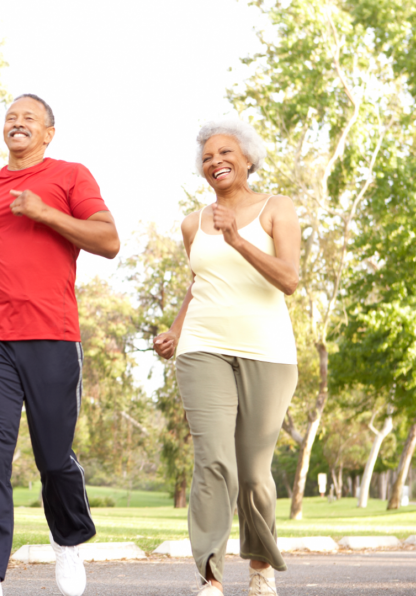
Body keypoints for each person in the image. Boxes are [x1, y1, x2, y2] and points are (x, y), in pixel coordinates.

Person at [0, 93, 120, 596]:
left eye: (29, 119)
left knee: (54, 456)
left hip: (52, 335)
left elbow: (108, 240)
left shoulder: (70, 176)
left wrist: (46, 214)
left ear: (48, 134)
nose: (18, 123)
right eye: (11, 117)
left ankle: (68, 539)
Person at [153, 119, 300, 596]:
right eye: (207, 157)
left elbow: (289, 280)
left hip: (268, 351)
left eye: (225, 153)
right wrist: (175, 330)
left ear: (248, 159)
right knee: (213, 461)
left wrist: (238, 239)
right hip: (203, 348)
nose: (215, 161)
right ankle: (211, 577)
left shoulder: (277, 209)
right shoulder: (193, 223)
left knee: (255, 472)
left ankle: (260, 567)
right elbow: (200, 282)